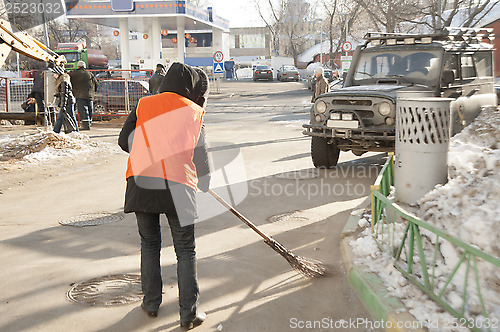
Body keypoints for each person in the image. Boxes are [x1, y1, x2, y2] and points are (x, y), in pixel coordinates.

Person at [118, 63, 210, 330]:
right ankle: (188, 314)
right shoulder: (194, 111)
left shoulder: (144, 105)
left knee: (149, 244)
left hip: (141, 181)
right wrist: (204, 182)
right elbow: (201, 156)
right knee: (185, 250)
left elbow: (125, 141)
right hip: (179, 187)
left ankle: (151, 303)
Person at [69, 60, 99, 130]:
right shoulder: (90, 74)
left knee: (83, 110)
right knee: (90, 110)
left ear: (78, 66)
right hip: (90, 95)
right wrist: (93, 91)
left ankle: (86, 126)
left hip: (80, 95)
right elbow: (96, 83)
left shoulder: (74, 74)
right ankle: (89, 123)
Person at [53, 69, 78, 134]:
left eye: (55, 74)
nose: (54, 75)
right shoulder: (64, 80)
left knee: (62, 118)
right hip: (68, 101)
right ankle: (75, 131)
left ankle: (55, 132)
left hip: (67, 102)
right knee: (67, 117)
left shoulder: (63, 81)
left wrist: (63, 105)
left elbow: (64, 94)